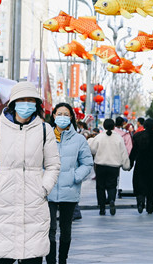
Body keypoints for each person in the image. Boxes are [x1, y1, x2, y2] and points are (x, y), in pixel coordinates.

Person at [0, 81, 60, 264]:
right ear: (13, 103)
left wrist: (43, 188)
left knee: (32, 259)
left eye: (31, 100)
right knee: (2, 259)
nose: (26, 103)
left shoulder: (45, 130)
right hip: (4, 203)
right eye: (22, 99)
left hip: (34, 204)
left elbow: (53, 165)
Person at [46, 103, 93, 264]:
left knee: (66, 229)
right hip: (48, 190)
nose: (63, 117)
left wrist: (75, 176)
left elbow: (87, 163)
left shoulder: (79, 139)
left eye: (66, 114)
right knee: (49, 229)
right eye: (60, 114)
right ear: (53, 115)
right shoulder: (46, 136)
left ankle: (63, 260)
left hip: (70, 191)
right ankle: (51, 260)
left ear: (71, 117)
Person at [88, 118, 131, 215]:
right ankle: (111, 200)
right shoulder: (118, 138)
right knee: (112, 186)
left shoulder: (99, 137)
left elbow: (93, 150)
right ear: (113, 126)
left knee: (100, 187)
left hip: (100, 165)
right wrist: (126, 165)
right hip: (114, 166)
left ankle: (102, 208)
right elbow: (123, 153)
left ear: (103, 126)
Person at [130, 118, 153, 214]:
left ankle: (140, 201)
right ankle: (150, 206)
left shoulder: (137, 135)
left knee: (140, 184)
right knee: (152, 185)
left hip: (141, 164)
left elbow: (134, 151)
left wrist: (129, 163)